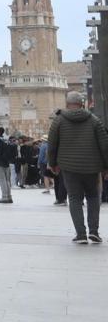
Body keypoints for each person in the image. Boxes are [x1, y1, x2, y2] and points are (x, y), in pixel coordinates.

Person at [48, 92, 108, 244]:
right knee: (93, 197)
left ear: (67, 104)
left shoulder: (58, 121)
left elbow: (52, 145)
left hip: (69, 167)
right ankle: (94, 232)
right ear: (82, 104)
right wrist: (106, 166)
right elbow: (104, 145)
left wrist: (52, 164)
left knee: (75, 199)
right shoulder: (94, 120)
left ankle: (81, 234)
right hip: (92, 167)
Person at [0, 127, 15, 204]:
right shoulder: (6, 140)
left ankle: (4, 197)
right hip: (6, 162)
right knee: (7, 180)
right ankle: (9, 197)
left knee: (2, 180)